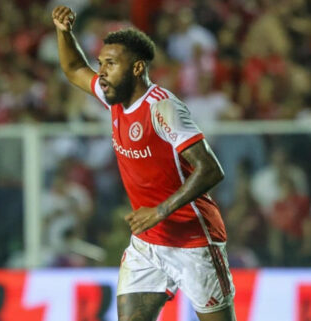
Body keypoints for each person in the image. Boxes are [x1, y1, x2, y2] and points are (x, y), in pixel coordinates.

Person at [52, 6, 237, 321]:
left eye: (111, 64)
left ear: (137, 68)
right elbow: (72, 68)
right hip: (147, 244)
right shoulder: (113, 97)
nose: (102, 72)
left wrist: (161, 210)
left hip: (193, 240)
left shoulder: (162, 108)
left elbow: (210, 169)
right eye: (101, 63)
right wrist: (64, 32)